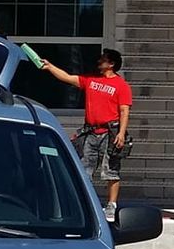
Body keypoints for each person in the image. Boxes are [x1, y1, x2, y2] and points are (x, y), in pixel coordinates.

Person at [39, 48, 131, 217]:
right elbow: (68, 77)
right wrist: (50, 67)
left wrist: (121, 133)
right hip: (90, 132)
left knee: (111, 170)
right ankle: (86, 204)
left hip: (110, 133)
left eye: (103, 59)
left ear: (111, 64)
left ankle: (111, 205)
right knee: (84, 170)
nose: (99, 61)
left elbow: (124, 110)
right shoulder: (91, 80)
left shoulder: (121, 86)